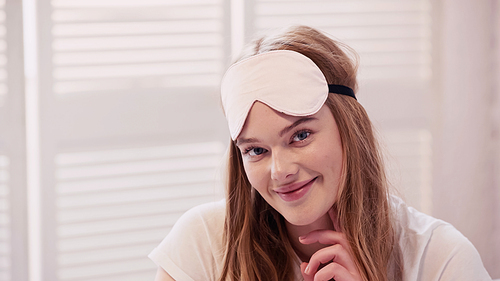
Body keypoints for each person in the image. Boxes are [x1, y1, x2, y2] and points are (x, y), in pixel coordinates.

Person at [149, 26, 492, 281]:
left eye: (300, 135)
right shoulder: (203, 244)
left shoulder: (442, 259)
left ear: (349, 129)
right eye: (256, 150)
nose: (280, 170)